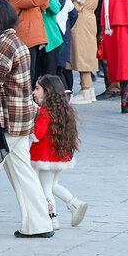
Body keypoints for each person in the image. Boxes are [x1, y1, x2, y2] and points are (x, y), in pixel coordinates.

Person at [0, 0, 54, 238]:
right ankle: (39, 224)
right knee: (22, 172)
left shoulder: (3, 44)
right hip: (17, 118)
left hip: (6, 120)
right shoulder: (11, 40)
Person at [30, 75, 86, 230]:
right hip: (59, 154)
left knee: (45, 188)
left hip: (46, 156)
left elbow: (37, 134)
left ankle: (51, 217)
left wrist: (29, 128)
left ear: (47, 91)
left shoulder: (45, 110)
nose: (34, 92)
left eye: (37, 89)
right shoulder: (64, 109)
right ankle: (74, 203)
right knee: (53, 184)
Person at [0, 0, 53, 79]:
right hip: (26, 37)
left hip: (30, 37)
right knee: (28, 72)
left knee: (31, 70)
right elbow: (35, 1)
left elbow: (44, 5)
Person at [69, 0, 100, 105]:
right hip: (89, 20)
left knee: (82, 55)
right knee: (86, 53)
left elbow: (78, 5)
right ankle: (88, 90)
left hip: (82, 21)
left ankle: (86, 89)